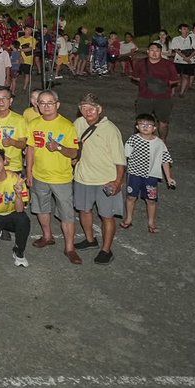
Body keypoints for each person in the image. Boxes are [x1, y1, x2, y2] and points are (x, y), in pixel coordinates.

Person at [25, 90, 81, 263]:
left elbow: (73, 153)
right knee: (42, 208)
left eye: (50, 102)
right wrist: (29, 173)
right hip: (39, 175)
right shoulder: (34, 124)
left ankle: (70, 248)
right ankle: (47, 236)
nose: (46, 106)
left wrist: (58, 147)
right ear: (37, 105)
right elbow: (30, 150)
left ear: (57, 104)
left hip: (61, 178)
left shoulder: (67, 126)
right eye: (42, 103)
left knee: (66, 214)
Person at [72, 93, 126, 265]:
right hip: (83, 177)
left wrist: (118, 181)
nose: (88, 111)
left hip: (105, 179)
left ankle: (106, 249)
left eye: (92, 108)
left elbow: (120, 160)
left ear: (99, 110)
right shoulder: (78, 123)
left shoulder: (110, 129)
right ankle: (90, 239)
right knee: (84, 210)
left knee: (106, 216)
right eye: (84, 108)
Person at [122, 114, 175, 233]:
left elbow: (165, 159)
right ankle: (128, 218)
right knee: (131, 197)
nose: (145, 127)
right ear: (137, 126)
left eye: (149, 125)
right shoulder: (133, 139)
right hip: (134, 174)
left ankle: (151, 222)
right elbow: (124, 157)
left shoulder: (159, 143)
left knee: (151, 200)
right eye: (142, 124)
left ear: (154, 128)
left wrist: (169, 177)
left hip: (151, 176)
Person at [134, 41, 179, 141]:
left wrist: (162, 84)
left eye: (157, 51)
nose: (154, 53)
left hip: (163, 98)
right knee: (142, 121)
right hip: (144, 97)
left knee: (163, 122)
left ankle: (162, 142)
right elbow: (135, 77)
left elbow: (175, 79)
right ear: (147, 51)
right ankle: (141, 142)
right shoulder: (141, 63)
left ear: (161, 52)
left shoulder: (168, 64)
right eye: (152, 50)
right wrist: (145, 84)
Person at [170, 23, 195, 97]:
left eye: (187, 29)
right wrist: (185, 57)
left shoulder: (191, 39)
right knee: (176, 76)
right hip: (179, 60)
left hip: (189, 60)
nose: (186, 31)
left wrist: (189, 58)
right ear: (180, 30)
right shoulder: (176, 39)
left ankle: (182, 92)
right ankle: (172, 92)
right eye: (184, 29)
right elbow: (176, 50)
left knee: (186, 76)